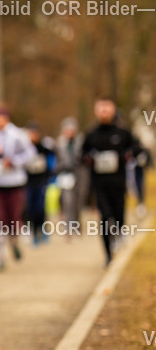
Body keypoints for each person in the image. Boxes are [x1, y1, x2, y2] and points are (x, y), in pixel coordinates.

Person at [82, 98, 140, 265]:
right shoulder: (91, 134)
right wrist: (89, 159)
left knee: (119, 216)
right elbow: (82, 154)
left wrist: (126, 156)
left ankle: (120, 234)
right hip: (99, 185)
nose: (104, 112)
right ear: (96, 111)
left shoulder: (122, 133)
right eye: (101, 109)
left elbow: (136, 148)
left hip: (119, 183)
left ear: (113, 110)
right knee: (105, 217)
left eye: (107, 109)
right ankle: (108, 254)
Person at [0, 107, 37, 270]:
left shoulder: (17, 135)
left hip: (14, 183)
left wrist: (13, 161)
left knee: (13, 218)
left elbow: (30, 153)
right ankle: (1, 256)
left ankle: (14, 242)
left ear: (7, 119)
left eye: (1, 118)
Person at [54, 116, 87, 236]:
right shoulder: (60, 143)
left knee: (78, 202)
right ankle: (69, 227)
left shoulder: (80, 142)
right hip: (66, 175)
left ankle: (77, 225)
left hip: (80, 174)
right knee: (68, 201)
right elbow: (57, 161)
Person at [24, 123, 56, 245]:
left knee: (40, 208)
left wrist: (50, 176)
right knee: (30, 208)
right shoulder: (24, 149)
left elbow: (51, 162)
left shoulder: (44, 148)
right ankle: (33, 232)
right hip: (28, 183)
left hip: (41, 182)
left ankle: (43, 230)